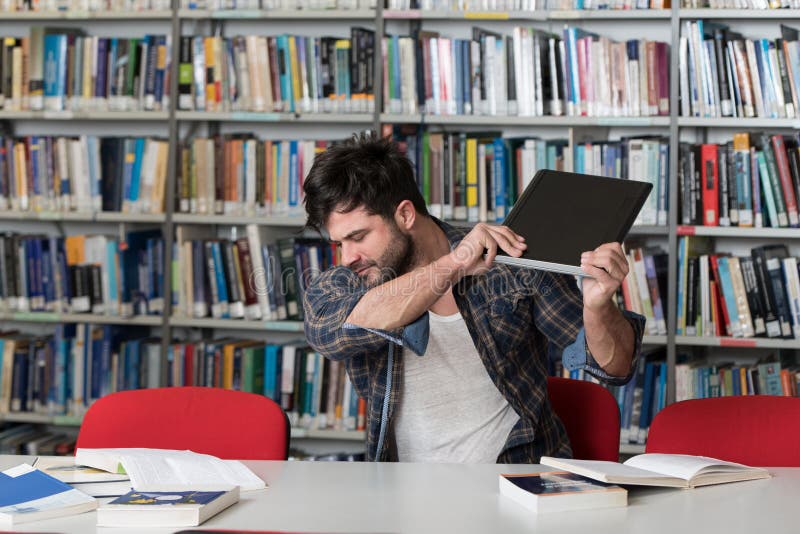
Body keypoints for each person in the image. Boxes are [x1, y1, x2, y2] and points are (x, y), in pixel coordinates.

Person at [301, 132, 645, 463]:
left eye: (358, 237)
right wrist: (454, 265)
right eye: (339, 244)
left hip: (519, 484)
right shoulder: (346, 284)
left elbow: (615, 367)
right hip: (403, 495)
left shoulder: (511, 261)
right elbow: (331, 334)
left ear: (404, 214)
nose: (347, 257)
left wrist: (599, 307)